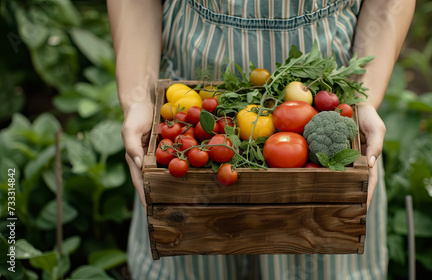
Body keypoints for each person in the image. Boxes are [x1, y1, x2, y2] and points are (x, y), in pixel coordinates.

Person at [107, 0, 415, 279]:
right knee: (192, 244)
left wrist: (363, 100)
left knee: (323, 234)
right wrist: (138, 99)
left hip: (326, 95)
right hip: (196, 98)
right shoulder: (195, 132)